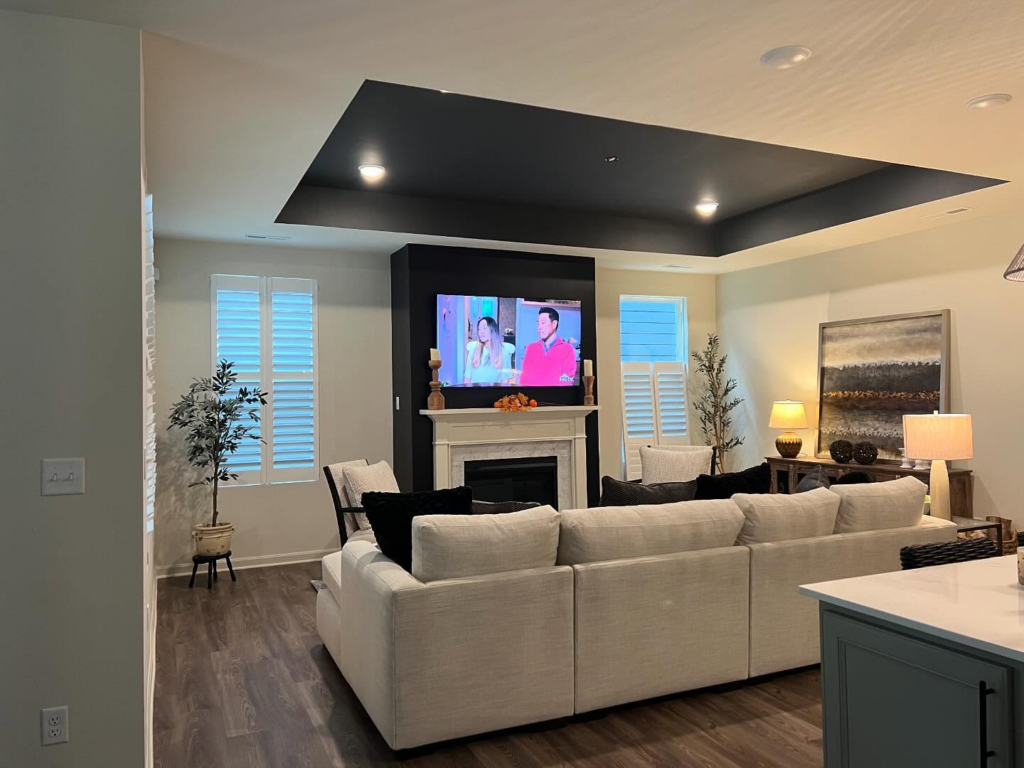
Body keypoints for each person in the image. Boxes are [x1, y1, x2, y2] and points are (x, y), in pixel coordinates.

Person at [518, 306, 578, 386]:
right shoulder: (530, 348)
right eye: (538, 323)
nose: (539, 327)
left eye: (543, 323)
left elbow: (567, 380)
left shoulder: (568, 350)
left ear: (554, 324)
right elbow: (524, 379)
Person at [464, 316, 514, 385]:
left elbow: (505, 381)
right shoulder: (473, 350)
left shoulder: (503, 352)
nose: (481, 332)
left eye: (484, 328)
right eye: (479, 329)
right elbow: (467, 379)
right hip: (474, 393)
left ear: (493, 330)